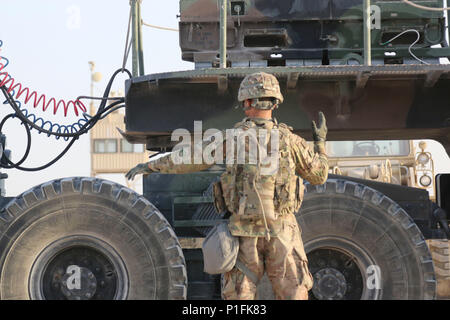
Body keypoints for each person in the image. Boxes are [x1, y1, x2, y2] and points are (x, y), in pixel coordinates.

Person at [126, 72, 328, 300]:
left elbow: (190, 158)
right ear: (275, 102)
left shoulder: (232, 138)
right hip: (282, 233)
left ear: (247, 102)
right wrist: (320, 143)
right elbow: (319, 175)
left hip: (243, 235)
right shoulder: (292, 142)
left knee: (239, 299)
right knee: (294, 294)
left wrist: (152, 166)